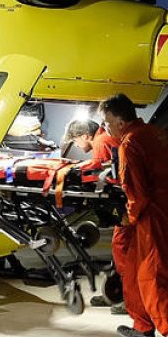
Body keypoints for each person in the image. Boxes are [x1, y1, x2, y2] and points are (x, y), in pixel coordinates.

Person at [98, 93, 168, 337]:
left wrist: (129, 216)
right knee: (132, 268)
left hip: (149, 215)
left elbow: (135, 192)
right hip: (161, 210)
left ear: (118, 119)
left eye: (106, 122)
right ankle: (142, 327)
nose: (105, 128)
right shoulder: (154, 134)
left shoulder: (130, 143)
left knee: (151, 275)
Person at [65, 120, 129, 315]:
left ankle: (129, 299)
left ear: (85, 136)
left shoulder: (101, 143)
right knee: (121, 250)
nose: (75, 146)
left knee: (126, 252)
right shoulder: (106, 139)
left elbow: (102, 178)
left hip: (126, 207)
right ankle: (117, 294)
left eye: (75, 141)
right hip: (127, 205)